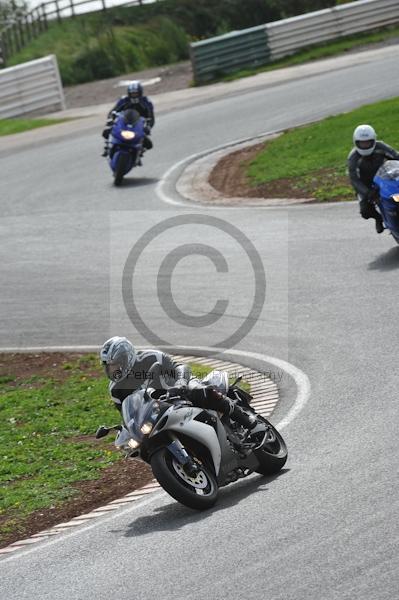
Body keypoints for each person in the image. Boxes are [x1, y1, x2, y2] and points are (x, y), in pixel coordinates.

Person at [100, 336, 257, 430]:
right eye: (109, 366)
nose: (113, 370)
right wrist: (125, 429)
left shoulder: (150, 358)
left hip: (180, 391)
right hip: (158, 412)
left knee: (197, 390)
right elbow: (127, 416)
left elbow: (179, 368)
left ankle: (242, 416)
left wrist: (180, 384)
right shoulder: (116, 389)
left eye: (115, 365)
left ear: (126, 357)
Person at [347, 124, 399, 233]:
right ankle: (378, 219)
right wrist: (367, 192)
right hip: (366, 185)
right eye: (362, 143)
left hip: (385, 178)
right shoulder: (353, 158)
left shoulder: (381, 146)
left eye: (368, 142)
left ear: (374, 140)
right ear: (356, 142)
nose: (365, 145)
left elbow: (396, 156)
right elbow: (354, 180)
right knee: (365, 211)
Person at [102, 81, 155, 157]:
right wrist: (110, 120)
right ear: (129, 94)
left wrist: (148, 127)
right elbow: (114, 111)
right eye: (132, 94)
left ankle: (139, 151)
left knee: (149, 145)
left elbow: (151, 116)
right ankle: (108, 147)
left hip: (138, 125)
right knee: (106, 132)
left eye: (136, 93)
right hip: (123, 122)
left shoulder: (146, 102)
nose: (134, 96)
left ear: (140, 93)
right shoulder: (124, 100)